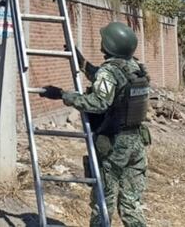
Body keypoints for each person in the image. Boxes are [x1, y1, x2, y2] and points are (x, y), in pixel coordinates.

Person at [39, 21, 151, 227]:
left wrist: (64, 95)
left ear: (110, 44)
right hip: (137, 143)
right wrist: (83, 64)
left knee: (103, 201)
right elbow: (115, 84)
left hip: (115, 145)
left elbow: (99, 102)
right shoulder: (136, 68)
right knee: (131, 204)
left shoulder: (109, 71)